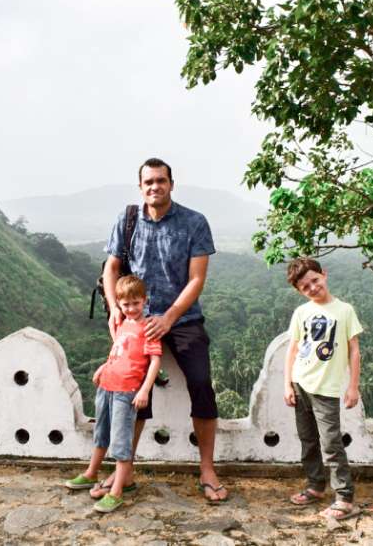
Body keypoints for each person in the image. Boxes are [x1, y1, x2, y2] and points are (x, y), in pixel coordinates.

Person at [97, 157, 227, 503]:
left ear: (171, 184)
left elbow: (196, 279)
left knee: (201, 385)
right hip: (137, 322)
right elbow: (112, 268)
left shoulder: (193, 222)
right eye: (148, 182)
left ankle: (207, 469)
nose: (155, 187)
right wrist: (114, 309)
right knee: (131, 395)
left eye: (161, 181)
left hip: (182, 319)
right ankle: (124, 471)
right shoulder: (128, 221)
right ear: (141, 187)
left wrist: (168, 318)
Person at [64, 275, 162, 513]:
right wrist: (103, 366)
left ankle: (118, 490)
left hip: (126, 392)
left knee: (121, 442)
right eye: (126, 304)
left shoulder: (148, 327)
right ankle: (91, 473)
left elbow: (155, 361)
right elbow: (117, 351)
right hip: (107, 386)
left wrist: (145, 390)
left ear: (144, 300)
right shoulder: (121, 324)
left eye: (136, 303)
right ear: (118, 304)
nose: (131, 308)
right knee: (101, 434)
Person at [283, 256, 363, 520]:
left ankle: (344, 497)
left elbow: (354, 350)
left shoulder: (344, 310)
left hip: (327, 389)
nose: (313, 288)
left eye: (314, 281)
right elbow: (292, 351)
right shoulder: (301, 313)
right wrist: (288, 384)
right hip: (300, 383)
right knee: (308, 442)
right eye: (305, 287)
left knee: (331, 444)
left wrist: (353, 387)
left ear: (324, 275)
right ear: (299, 291)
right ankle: (316, 486)